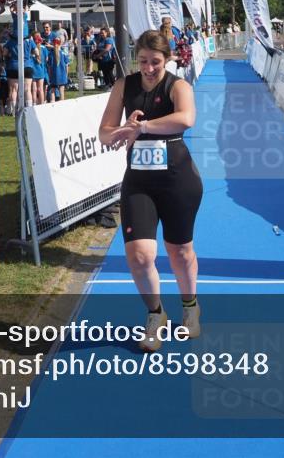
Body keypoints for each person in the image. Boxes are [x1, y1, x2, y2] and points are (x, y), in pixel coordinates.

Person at [98, 30, 204, 352]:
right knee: (140, 256)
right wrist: (121, 129)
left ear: (167, 59)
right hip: (139, 183)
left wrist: (141, 127)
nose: (148, 68)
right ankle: (155, 314)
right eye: (142, 61)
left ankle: (190, 307)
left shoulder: (178, 86)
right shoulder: (123, 86)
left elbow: (186, 119)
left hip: (178, 181)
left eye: (155, 62)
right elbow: (104, 134)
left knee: (180, 252)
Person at [49, 37, 70, 102]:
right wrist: (66, 74)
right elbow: (67, 66)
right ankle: (62, 106)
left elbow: (49, 67)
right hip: (62, 74)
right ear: (60, 43)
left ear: (52, 43)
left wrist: (50, 75)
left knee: (52, 90)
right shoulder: (64, 53)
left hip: (53, 75)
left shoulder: (50, 54)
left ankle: (52, 104)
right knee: (61, 90)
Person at [30, 32, 48, 106]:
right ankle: (42, 104)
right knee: (41, 89)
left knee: (34, 90)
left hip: (33, 70)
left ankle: (34, 104)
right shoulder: (44, 48)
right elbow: (47, 59)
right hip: (41, 70)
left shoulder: (32, 48)